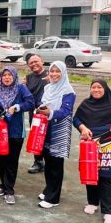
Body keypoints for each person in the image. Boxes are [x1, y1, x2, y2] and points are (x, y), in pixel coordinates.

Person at [73, 79, 111, 223]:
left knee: (108, 177)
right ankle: (92, 202)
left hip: (109, 145)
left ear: (105, 89)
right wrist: (83, 128)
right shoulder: (86, 104)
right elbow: (76, 119)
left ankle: (108, 212)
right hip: (90, 144)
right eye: (93, 87)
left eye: (99, 87)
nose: (96, 90)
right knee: (90, 173)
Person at [0, 67, 34, 204]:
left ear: (14, 76)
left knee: (12, 161)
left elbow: (31, 102)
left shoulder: (21, 88)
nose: (7, 78)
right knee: (1, 160)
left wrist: (17, 107)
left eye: (9, 75)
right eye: (4, 75)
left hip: (15, 131)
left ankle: (9, 190)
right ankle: (3, 185)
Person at [36, 61, 76, 209]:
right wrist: (40, 109)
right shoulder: (48, 87)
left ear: (63, 73)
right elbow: (41, 102)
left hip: (59, 131)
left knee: (56, 165)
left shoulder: (68, 91)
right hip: (45, 128)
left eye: (57, 71)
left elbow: (66, 112)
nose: (54, 74)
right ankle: (48, 189)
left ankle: (54, 198)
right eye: (51, 71)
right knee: (48, 162)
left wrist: (50, 112)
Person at [24, 55, 48, 174]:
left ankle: (50, 162)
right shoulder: (28, 78)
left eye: (36, 61)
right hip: (34, 113)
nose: (34, 64)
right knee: (36, 137)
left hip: (49, 113)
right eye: (31, 63)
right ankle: (38, 162)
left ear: (42, 61)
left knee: (48, 138)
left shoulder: (50, 75)